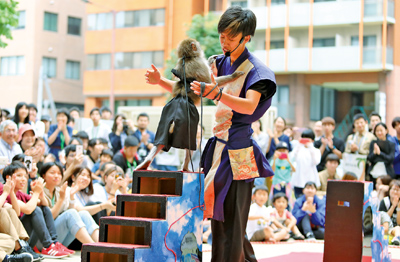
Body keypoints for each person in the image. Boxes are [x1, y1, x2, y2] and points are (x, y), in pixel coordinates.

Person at [189, 6, 276, 261]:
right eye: (221, 35)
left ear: (246, 37)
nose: (224, 41)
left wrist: (216, 93)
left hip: (239, 151)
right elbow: (191, 88)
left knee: (233, 222)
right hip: (218, 148)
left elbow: (249, 105)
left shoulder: (257, 71)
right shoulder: (218, 61)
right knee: (220, 218)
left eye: (230, 37)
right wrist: (161, 81)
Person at [1, 162, 70, 258]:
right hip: (14, 237)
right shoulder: (3, 189)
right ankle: (48, 246)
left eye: (25, 176)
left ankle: (53, 243)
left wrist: (40, 194)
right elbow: (28, 209)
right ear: (8, 177)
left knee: (43, 208)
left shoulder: (20, 194)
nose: (23, 179)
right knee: (35, 210)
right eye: (19, 175)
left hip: (24, 238)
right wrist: (36, 193)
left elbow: (44, 204)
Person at [40, 162, 99, 248]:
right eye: (52, 173)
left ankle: (101, 244)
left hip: (58, 238)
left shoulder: (59, 191)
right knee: (71, 213)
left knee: (84, 214)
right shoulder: (39, 191)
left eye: (59, 173)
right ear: (43, 175)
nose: (56, 176)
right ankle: (93, 247)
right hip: (43, 239)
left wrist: (71, 197)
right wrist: (61, 199)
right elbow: (50, 217)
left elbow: (72, 212)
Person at [291, 129, 321, 198]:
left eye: (308, 139)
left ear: (312, 140)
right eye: (304, 138)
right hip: (298, 180)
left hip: (310, 180)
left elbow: (316, 161)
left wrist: (310, 146)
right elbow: (292, 158)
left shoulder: (316, 150)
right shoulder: (298, 149)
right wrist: (299, 144)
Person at [379, 180, 400, 245]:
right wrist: (393, 206)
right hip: (387, 228)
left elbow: (398, 222)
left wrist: (398, 208)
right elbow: (383, 219)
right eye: (393, 189)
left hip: (397, 229)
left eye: (398, 190)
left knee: (397, 228)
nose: (395, 192)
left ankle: (396, 239)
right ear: (389, 190)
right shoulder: (385, 201)